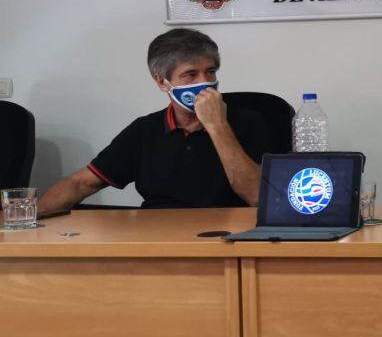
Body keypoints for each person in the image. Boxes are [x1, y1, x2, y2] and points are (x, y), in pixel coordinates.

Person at [38, 28, 269, 211]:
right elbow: (81, 183)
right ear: (161, 82)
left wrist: (217, 126)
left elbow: (258, 196)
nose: (205, 82)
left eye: (210, 71)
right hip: (159, 238)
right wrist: (24, 220)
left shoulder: (248, 122)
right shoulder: (144, 130)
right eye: (190, 74)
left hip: (226, 239)